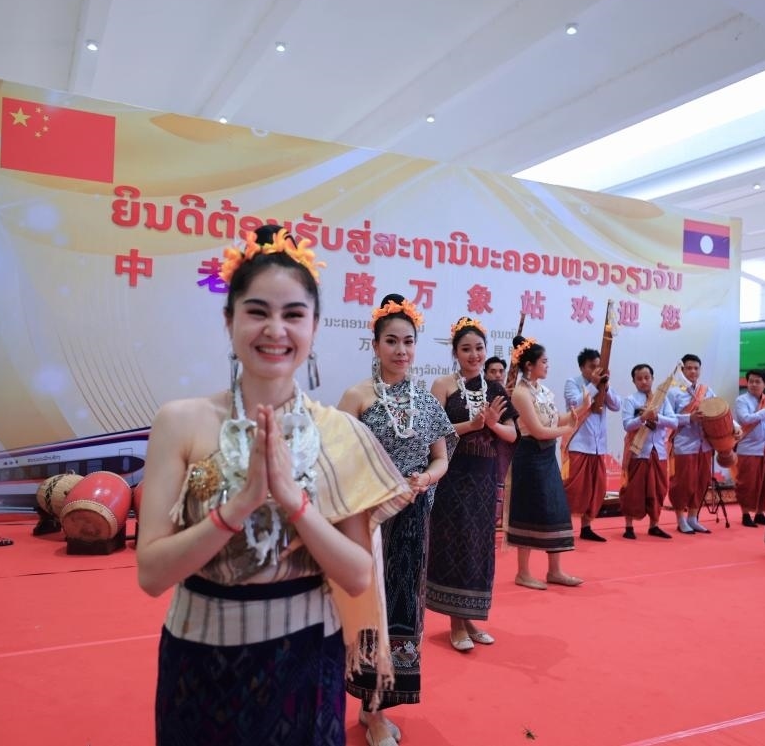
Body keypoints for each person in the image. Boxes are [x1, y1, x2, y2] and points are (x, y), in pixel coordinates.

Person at [136, 225, 414, 746]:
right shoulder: (180, 422)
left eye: (293, 315)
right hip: (197, 661)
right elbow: (151, 575)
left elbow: (357, 575)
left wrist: (294, 502)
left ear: (314, 327)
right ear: (230, 320)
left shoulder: (339, 433)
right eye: (257, 311)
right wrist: (238, 506)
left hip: (305, 663)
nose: (275, 329)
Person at [338, 293, 455, 746]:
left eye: (408, 342)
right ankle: (368, 710)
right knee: (368, 610)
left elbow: (441, 458)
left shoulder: (425, 401)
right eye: (391, 341)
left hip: (412, 522)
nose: (401, 350)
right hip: (367, 522)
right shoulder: (357, 397)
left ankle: (377, 709)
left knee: (403, 614)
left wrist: (426, 477)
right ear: (375, 345)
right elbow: (335, 458)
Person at [428, 317, 517, 652]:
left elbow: (512, 434)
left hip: (484, 480)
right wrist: (471, 425)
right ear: (455, 352)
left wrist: (492, 425)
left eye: (479, 348)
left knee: (479, 549)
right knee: (456, 545)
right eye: (466, 349)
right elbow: (432, 432)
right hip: (452, 477)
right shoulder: (443, 385)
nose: (474, 354)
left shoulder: (495, 389)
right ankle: (455, 624)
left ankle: (469, 619)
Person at [506, 335, 592, 589]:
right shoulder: (520, 393)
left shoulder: (542, 391)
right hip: (529, 456)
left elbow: (557, 420)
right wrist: (567, 431)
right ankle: (523, 572)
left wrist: (583, 408)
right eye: (543, 361)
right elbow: (538, 430)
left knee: (555, 509)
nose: (547, 365)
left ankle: (555, 570)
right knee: (529, 510)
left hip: (546, 456)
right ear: (529, 365)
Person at [563, 347, 621, 542]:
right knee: (575, 488)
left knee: (597, 489)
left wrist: (606, 385)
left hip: (598, 446)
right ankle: (563, 527)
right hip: (578, 443)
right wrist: (594, 385)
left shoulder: (603, 384)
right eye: (592, 366)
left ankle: (586, 527)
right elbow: (576, 404)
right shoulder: (573, 383)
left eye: (598, 366)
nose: (596, 370)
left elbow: (616, 405)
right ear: (582, 367)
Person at [619, 364, 677, 539]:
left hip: (658, 451)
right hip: (637, 451)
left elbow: (674, 422)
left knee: (658, 490)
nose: (644, 381)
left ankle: (654, 525)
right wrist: (642, 418)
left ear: (652, 378)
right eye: (639, 379)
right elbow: (627, 425)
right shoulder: (630, 400)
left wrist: (657, 417)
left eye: (647, 377)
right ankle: (629, 527)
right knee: (633, 490)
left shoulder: (662, 399)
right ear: (634, 381)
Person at [666, 354, 717, 534]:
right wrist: (689, 418)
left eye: (696, 368)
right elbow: (667, 418)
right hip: (684, 444)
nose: (693, 371)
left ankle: (693, 518)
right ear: (682, 370)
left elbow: (720, 412)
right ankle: (680, 519)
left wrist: (734, 426)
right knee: (683, 483)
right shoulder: (673, 392)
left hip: (705, 444)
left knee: (702, 481)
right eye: (689, 368)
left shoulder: (707, 391)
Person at [734, 369, 765, 527]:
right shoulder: (742, 400)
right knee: (747, 482)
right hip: (748, 448)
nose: (753, 384)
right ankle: (745, 514)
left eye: (758, 381)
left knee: (764, 482)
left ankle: (759, 513)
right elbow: (745, 419)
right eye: (751, 381)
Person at [484, 355, 513, 528]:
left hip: (508, 446)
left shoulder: (512, 394)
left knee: (505, 480)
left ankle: (503, 517)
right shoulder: (482, 393)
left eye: (501, 371)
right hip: (488, 446)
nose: (497, 375)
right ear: (485, 373)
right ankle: (492, 520)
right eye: (493, 371)